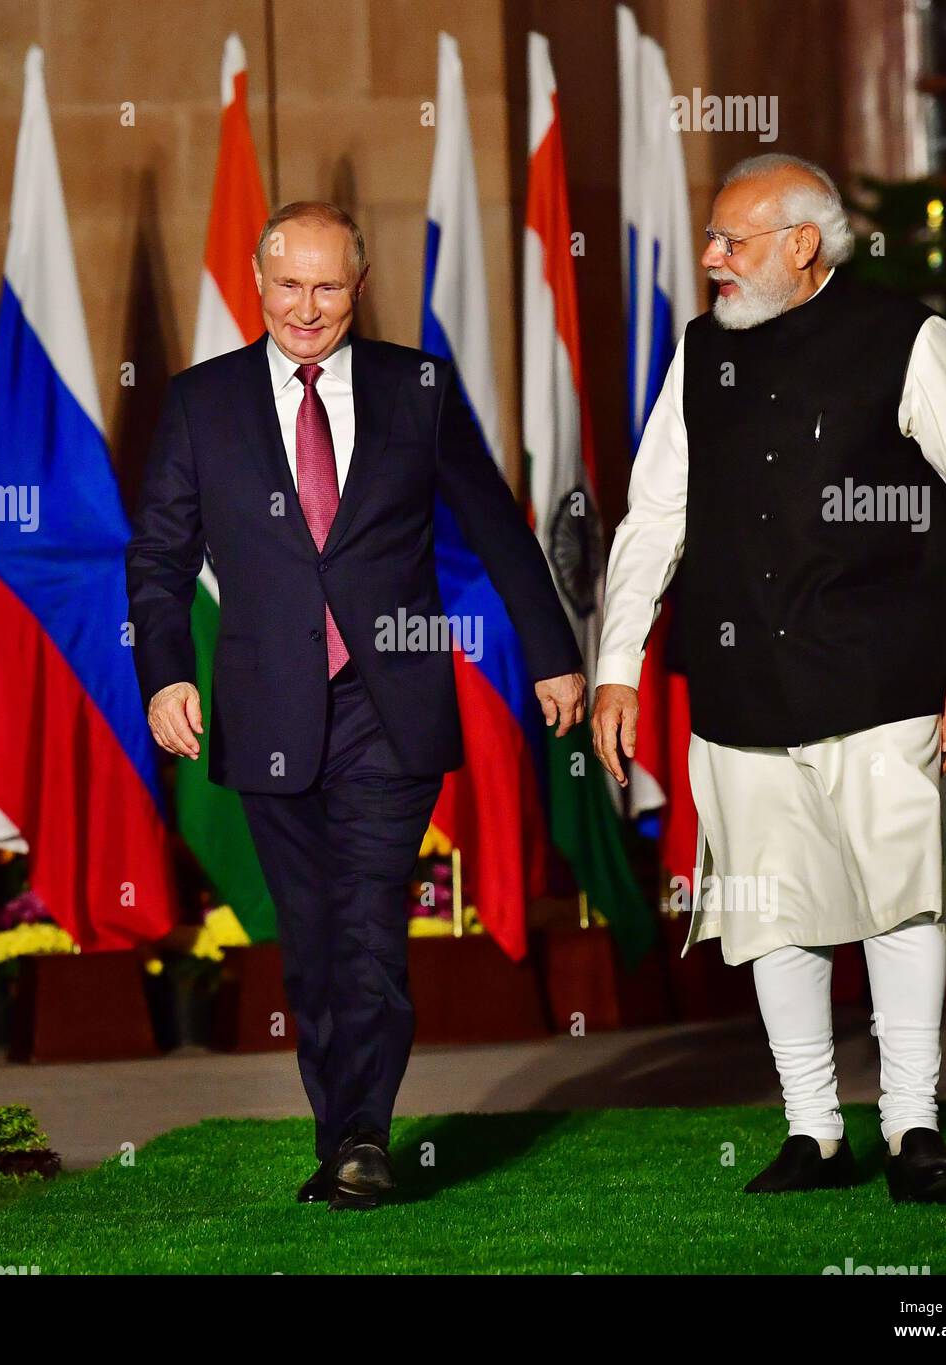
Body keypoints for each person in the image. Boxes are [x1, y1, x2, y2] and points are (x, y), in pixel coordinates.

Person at [592, 154, 946, 1202]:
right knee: (772, 909)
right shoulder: (700, 353)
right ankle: (813, 1132)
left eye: (728, 242)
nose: (709, 261)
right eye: (709, 239)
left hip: (887, 681)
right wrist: (616, 665)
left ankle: (916, 1126)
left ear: (802, 245)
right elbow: (654, 513)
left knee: (900, 904)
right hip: (741, 686)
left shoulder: (905, 338)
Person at [126, 201, 584, 1210]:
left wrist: (551, 653)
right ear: (257, 282)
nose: (306, 306)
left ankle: (365, 1137)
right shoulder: (204, 403)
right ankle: (340, 1133)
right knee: (315, 933)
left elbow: (496, 523)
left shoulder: (414, 387)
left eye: (327, 286)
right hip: (267, 706)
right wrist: (164, 673)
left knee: (371, 916)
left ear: (359, 285)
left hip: (391, 703)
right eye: (289, 284)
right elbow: (159, 554)